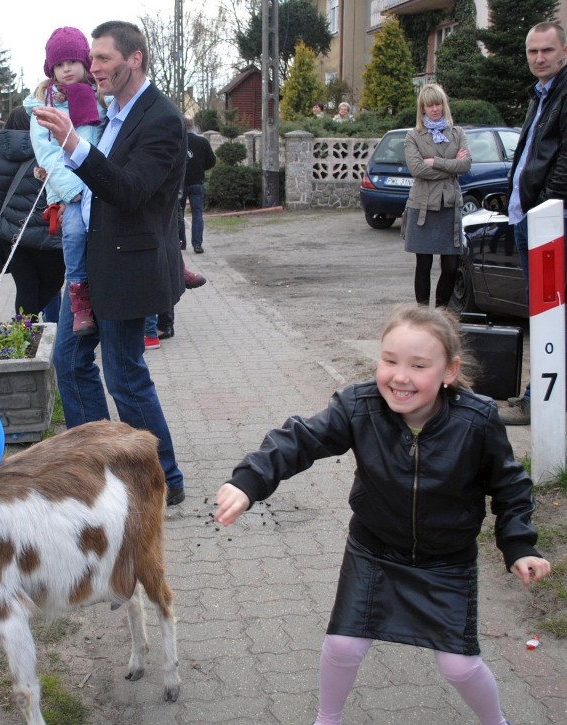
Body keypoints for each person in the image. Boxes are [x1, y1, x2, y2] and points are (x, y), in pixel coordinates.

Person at [215, 304, 551, 725]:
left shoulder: (477, 419)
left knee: (459, 666)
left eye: (418, 365)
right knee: (343, 647)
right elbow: (300, 439)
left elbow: (510, 486)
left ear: (449, 371)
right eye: (389, 361)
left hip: (446, 562)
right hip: (373, 552)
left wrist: (519, 545)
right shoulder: (359, 406)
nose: (400, 376)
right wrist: (249, 481)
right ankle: (327, 718)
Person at [33, 20, 187, 506]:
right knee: (70, 361)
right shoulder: (110, 112)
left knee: (124, 374)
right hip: (92, 264)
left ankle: (163, 480)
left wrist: (72, 147)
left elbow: (130, 190)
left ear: (134, 58)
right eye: (91, 58)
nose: (92, 67)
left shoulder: (161, 118)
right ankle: (98, 469)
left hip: (129, 267)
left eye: (102, 58)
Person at [500, 21, 567, 426]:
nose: (538, 58)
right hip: (531, 221)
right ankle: (541, 396)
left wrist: (546, 210)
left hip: (549, 225)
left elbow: (564, 163)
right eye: (532, 52)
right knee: (544, 314)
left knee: (549, 315)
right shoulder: (541, 94)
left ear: (563, 52)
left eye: (546, 50)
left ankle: (538, 400)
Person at [25, 26, 107, 336]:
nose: (66, 69)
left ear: (85, 62)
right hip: (69, 189)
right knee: (73, 233)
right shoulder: (42, 109)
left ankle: (168, 270)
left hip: (100, 183)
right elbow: (47, 157)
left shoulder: (99, 100)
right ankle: (79, 299)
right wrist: (74, 192)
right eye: (59, 65)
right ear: (51, 70)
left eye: (72, 61)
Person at [0, 106, 65, 322]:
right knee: (53, 282)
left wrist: (0, 226)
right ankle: (25, 326)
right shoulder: (47, 153)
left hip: (11, 235)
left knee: (25, 287)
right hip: (46, 234)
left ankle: (23, 330)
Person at [402, 84, 470, 309]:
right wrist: (452, 166)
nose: (435, 109)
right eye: (430, 105)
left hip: (450, 206)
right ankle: (423, 314)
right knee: (423, 263)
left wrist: (436, 162)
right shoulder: (413, 136)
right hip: (422, 205)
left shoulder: (457, 132)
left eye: (438, 103)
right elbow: (417, 170)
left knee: (450, 266)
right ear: (422, 108)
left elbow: (466, 165)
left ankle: (440, 313)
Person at [181, 114, 216, 254]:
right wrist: (201, 168)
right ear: (193, 125)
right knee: (197, 214)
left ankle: (181, 243)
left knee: (178, 215)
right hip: (197, 182)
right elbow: (212, 161)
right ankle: (197, 244)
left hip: (180, 184)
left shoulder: (177, 141)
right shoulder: (202, 142)